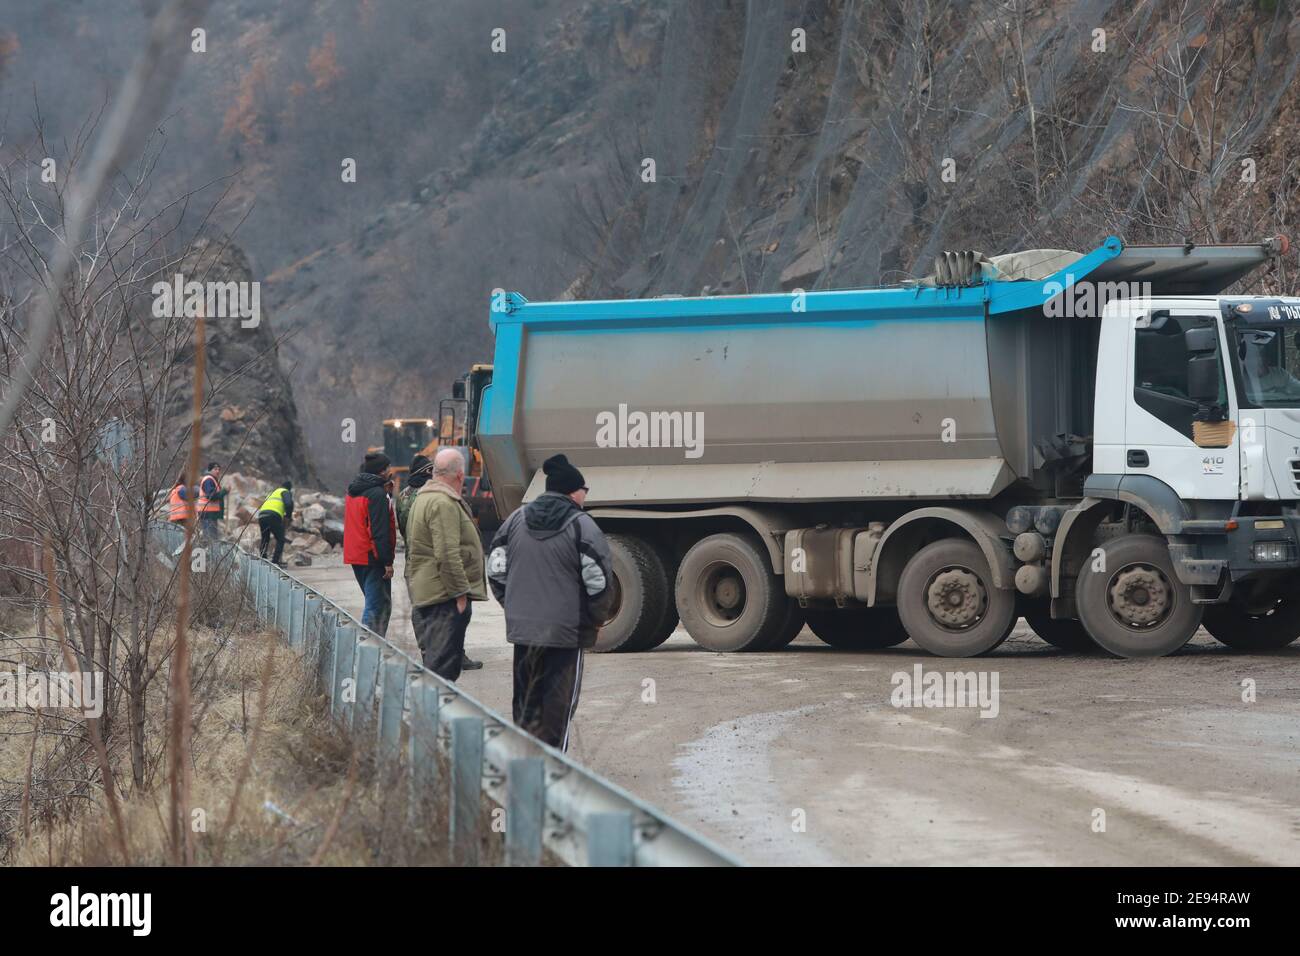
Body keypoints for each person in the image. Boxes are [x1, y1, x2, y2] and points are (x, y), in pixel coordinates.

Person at [487, 454, 615, 751]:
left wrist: (513, 604)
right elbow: (599, 583)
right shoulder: (583, 526)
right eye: (585, 490)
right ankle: (553, 768)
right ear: (573, 491)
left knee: (527, 701)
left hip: (524, 632)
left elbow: (495, 568)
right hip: (565, 634)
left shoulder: (515, 520)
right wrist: (594, 619)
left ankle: (525, 763)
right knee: (558, 705)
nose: (586, 496)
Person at [405, 448, 487, 680]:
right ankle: (433, 712)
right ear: (460, 475)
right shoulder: (442, 503)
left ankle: (431, 711)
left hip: (432, 591)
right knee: (444, 671)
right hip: (444, 597)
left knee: (437, 666)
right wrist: (460, 594)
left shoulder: (423, 497)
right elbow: (447, 554)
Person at [344, 452, 395, 635]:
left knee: (378, 604)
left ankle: (375, 647)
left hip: (356, 555)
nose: (391, 470)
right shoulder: (377, 495)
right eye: (388, 468)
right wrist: (386, 561)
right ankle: (367, 649)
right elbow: (378, 532)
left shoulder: (353, 491)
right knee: (375, 607)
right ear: (381, 472)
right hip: (372, 557)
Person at [257, 479, 294, 566]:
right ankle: (275, 562)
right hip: (273, 516)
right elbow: (288, 504)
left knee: (265, 538)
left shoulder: (273, 493)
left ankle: (263, 560)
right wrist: (288, 516)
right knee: (280, 539)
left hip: (262, 516)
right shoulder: (285, 491)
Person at [196, 463, 225, 539]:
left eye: (219, 469)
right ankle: (209, 550)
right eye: (215, 469)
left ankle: (209, 550)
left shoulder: (213, 480)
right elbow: (211, 496)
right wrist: (224, 491)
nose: (218, 471)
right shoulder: (208, 480)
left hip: (210, 513)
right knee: (210, 537)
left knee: (211, 536)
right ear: (209, 470)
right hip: (207, 512)